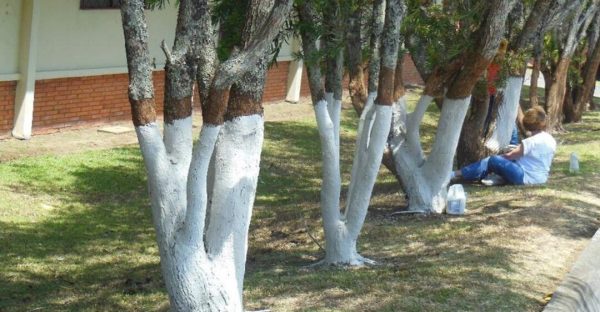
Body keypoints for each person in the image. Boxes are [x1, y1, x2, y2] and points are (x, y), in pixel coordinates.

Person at [452, 106, 556, 186]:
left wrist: (494, 158)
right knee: (497, 161)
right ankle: (497, 177)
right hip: (541, 178)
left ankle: (457, 174)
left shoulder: (530, 141)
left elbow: (509, 156)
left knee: (492, 160)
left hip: (524, 176)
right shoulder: (551, 140)